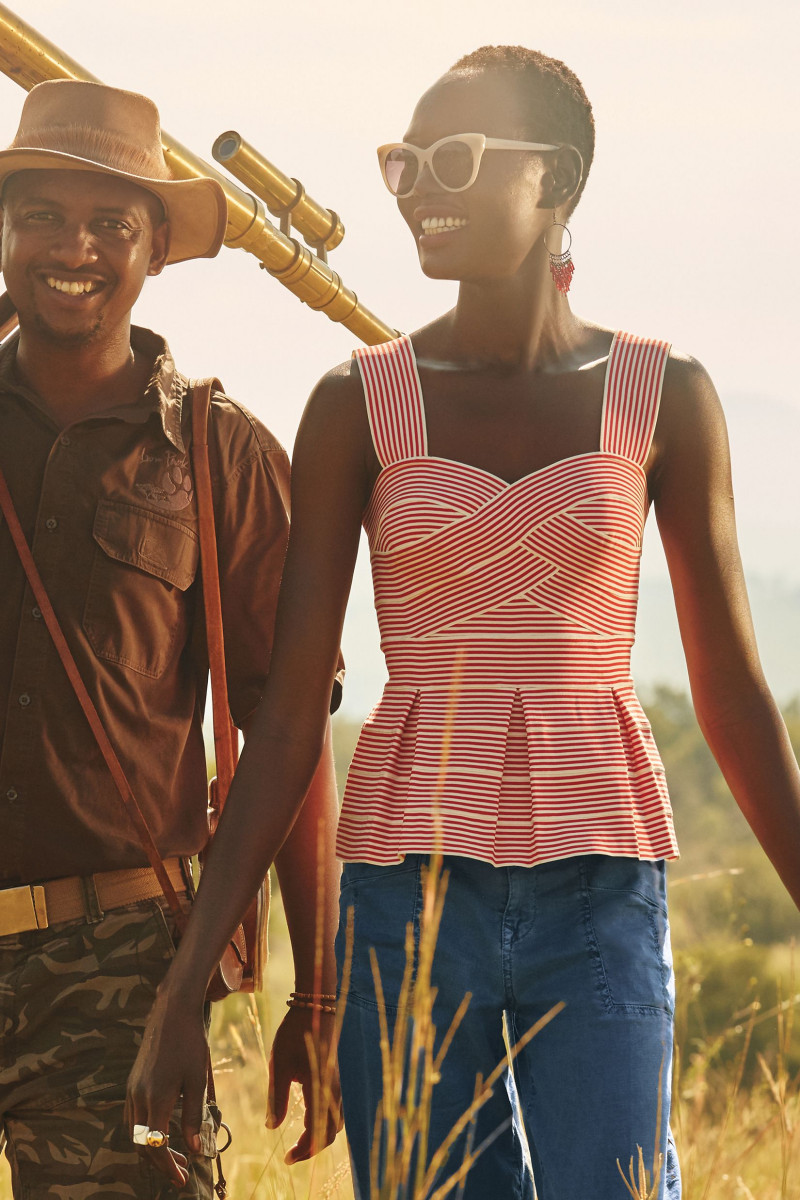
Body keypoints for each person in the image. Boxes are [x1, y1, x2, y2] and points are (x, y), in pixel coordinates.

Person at [127, 45, 800, 1200]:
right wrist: (187, 984)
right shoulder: (355, 402)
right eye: (400, 162)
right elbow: (288, 718)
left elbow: (731, 691)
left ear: (558, 180)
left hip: (601, 881)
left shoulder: (662, 395)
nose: (414, 188)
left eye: (452, 158)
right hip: (402, 890)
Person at [0, 79, 342, 1198]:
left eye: (111, 223)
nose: (75, 248)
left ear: (154, 253)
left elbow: (289, 734)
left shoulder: (219, 453)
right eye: (41, 214)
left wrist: (315, 994)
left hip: (116, 970)